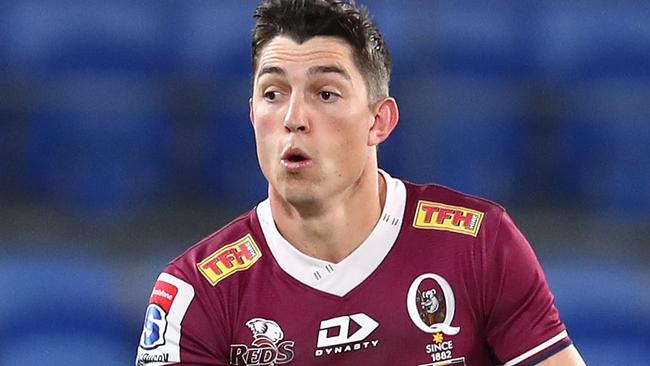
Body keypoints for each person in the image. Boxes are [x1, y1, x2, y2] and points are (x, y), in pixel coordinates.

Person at [136, 1, 586, 365]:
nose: (293, 119)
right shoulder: (198, 292)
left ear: (379, 121)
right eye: (273, 94)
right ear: (252, 115)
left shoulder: (478, 243)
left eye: (325, 94)